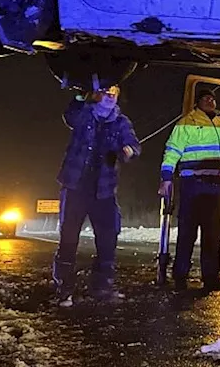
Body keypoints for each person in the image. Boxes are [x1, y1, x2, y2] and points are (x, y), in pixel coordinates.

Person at [52, 85, 141, 306]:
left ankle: (102, 287)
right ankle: (64, 288)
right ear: (97, 95)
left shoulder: (121, 122)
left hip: (104, 190)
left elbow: (133, 145)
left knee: (108, 238)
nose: (110, 97)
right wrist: (82, 94)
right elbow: (69, 115)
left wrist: (126, 151)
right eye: (106, 93)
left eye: (114, 94)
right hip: (75, 186)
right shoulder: (84, 113)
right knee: (68, 238)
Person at [159, 89, 220, 291]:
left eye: (212, 98)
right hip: (193, 184)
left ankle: (211, 277)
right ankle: (180, 276)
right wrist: (166, 178)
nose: (210, 101)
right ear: (197, 103)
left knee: (212, 235)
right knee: (187, 233)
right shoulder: (187, 123)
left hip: (215, 187)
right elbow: (172, 150)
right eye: (206, 98)